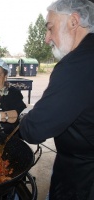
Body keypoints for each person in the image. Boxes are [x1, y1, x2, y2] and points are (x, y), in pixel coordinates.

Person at [19, 0, 94, 199]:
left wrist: (24, 118)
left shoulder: (74, 66)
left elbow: (34, 130)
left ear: (74, 21)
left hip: (83, 178)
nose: (46, 38)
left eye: (50, 29)